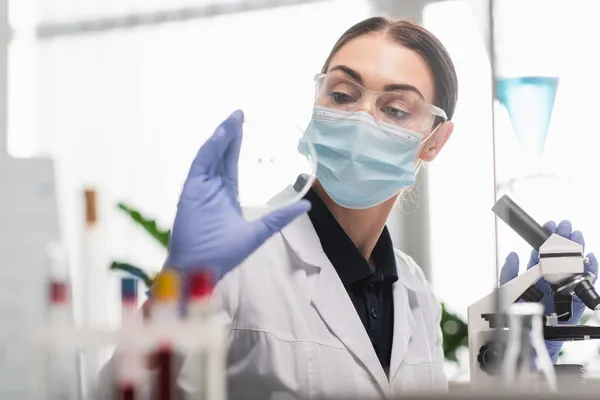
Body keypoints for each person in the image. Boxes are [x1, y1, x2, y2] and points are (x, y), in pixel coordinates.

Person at [102, 17, 597, 398]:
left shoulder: (413, 290)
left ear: (434, 142)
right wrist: (177, 294)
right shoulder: (239, 257)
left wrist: (512, 359)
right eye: (342, 94)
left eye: (395, 109)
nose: (361, 116)